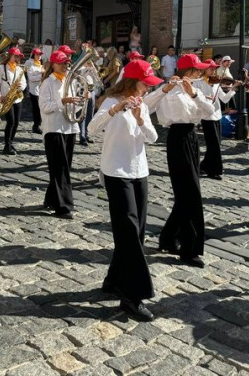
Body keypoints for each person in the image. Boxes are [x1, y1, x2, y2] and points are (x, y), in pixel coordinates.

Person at [88, 60, 162, 322]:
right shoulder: (110, 102)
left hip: (139, 172)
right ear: (132, 82)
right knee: (129, 232)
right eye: (145, 84)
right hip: (116, 173)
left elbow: (152, 137)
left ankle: (114, 280)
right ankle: (133, 295)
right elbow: (91, 129)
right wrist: (115, 110)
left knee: (136, 232)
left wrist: (142, 119)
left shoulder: (141, 104)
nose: (146, 89)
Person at [146, 53, 213, 267]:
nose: (201, 73)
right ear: (189, 71)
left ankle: (167, 238)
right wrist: (164, 89)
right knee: (190, 193)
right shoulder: (168, 88)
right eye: (198, 70)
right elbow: (146, 106)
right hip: (176, 138)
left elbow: (211, 112)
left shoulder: (196, 88)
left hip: (192, 138)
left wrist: (194, 94)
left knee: (187, 193)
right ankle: (189, 249)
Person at [39, 51, 80, 219]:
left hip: (69, 128)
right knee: (60, 168)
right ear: (53, 64)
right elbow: (45, 107)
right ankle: (63, 206)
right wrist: (62, 101)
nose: (65, 66)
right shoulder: (48, 83)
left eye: (66, 63)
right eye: (62, 63)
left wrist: (80, 101)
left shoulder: (70, 81)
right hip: (54, 128)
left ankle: (51, 198)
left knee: (64, 167)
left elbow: (74, 108)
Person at [195, 60, 237, 180]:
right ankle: (215, 171)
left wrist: (233, 88)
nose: (213, 71)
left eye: (214, 69)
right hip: (207, 116)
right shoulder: (198, 82)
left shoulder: (215, 82)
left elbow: (223, 99)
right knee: (214, 146)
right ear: (204, 69)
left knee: (215, 145)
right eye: (211, 68)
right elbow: (195, 96)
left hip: (217, 116)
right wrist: (205, 98)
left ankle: (203, 166)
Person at [0, 47, 27, 155]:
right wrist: (0, 96)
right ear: (10, 55)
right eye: (15, 56)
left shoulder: (19, 69)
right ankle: (7, 145)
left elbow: (24, 83)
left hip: (17, 98)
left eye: (18, 56)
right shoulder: (1, 67)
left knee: (16, 123)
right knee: (11, 122)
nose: (17, 58)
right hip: (6, 98)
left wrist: (20, 87)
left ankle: (10, 142)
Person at [25, 48, 44, 134]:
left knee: (40, 108)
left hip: (41, 90)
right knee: (36, 109)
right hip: (33, 90)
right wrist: (41, 75)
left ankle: (38, 124)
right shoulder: (30, 63)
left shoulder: (40, 64)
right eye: (37, 54)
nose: (39, 56)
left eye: (40, 54)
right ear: (33, 55)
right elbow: (31, 78)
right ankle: (36, 126)